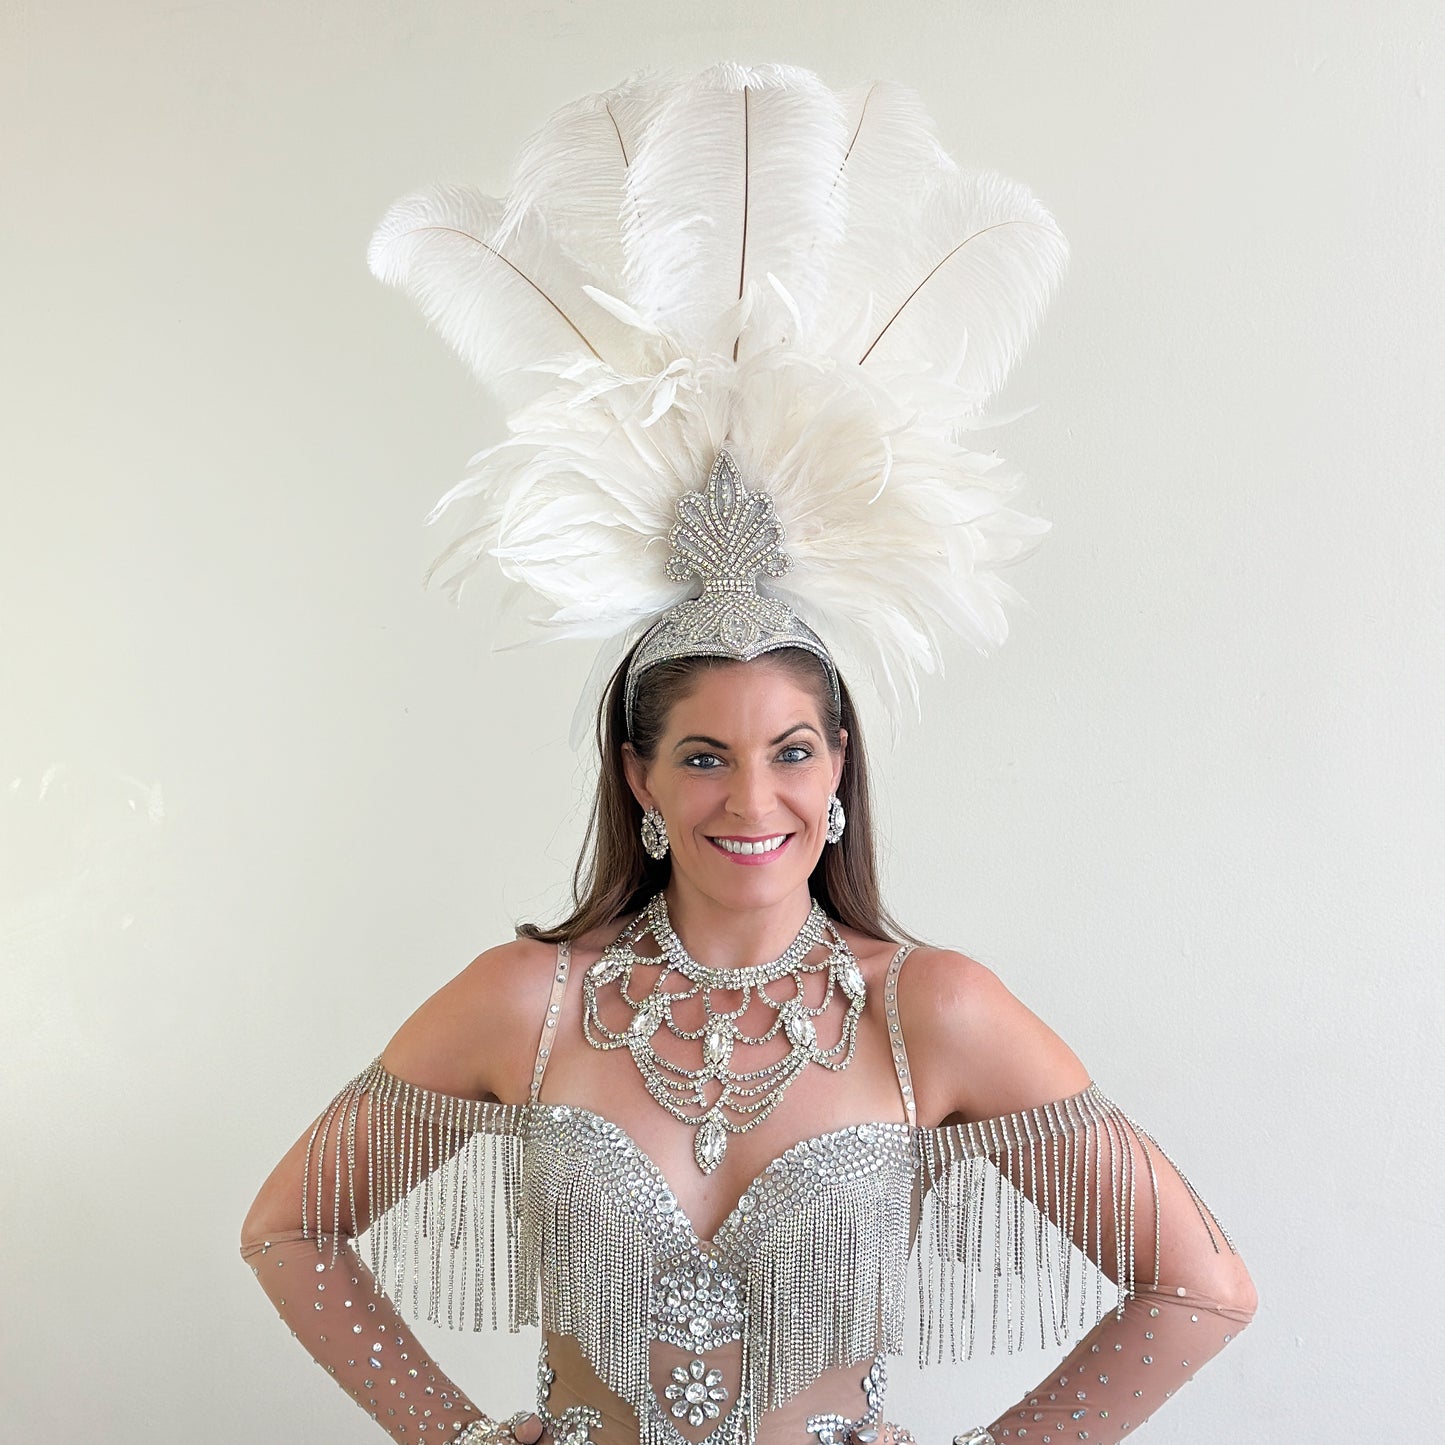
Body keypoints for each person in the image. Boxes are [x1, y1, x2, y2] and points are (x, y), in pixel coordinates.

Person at [240, 63, 1256, 1445]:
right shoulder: (525, 1002)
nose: (754, 795)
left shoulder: (931, 1010)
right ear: (640, 778)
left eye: (790, 749)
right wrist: (463, 1435)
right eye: (704, 756)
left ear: (839, 770)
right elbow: (294, 1227)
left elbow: (1195, 1285)